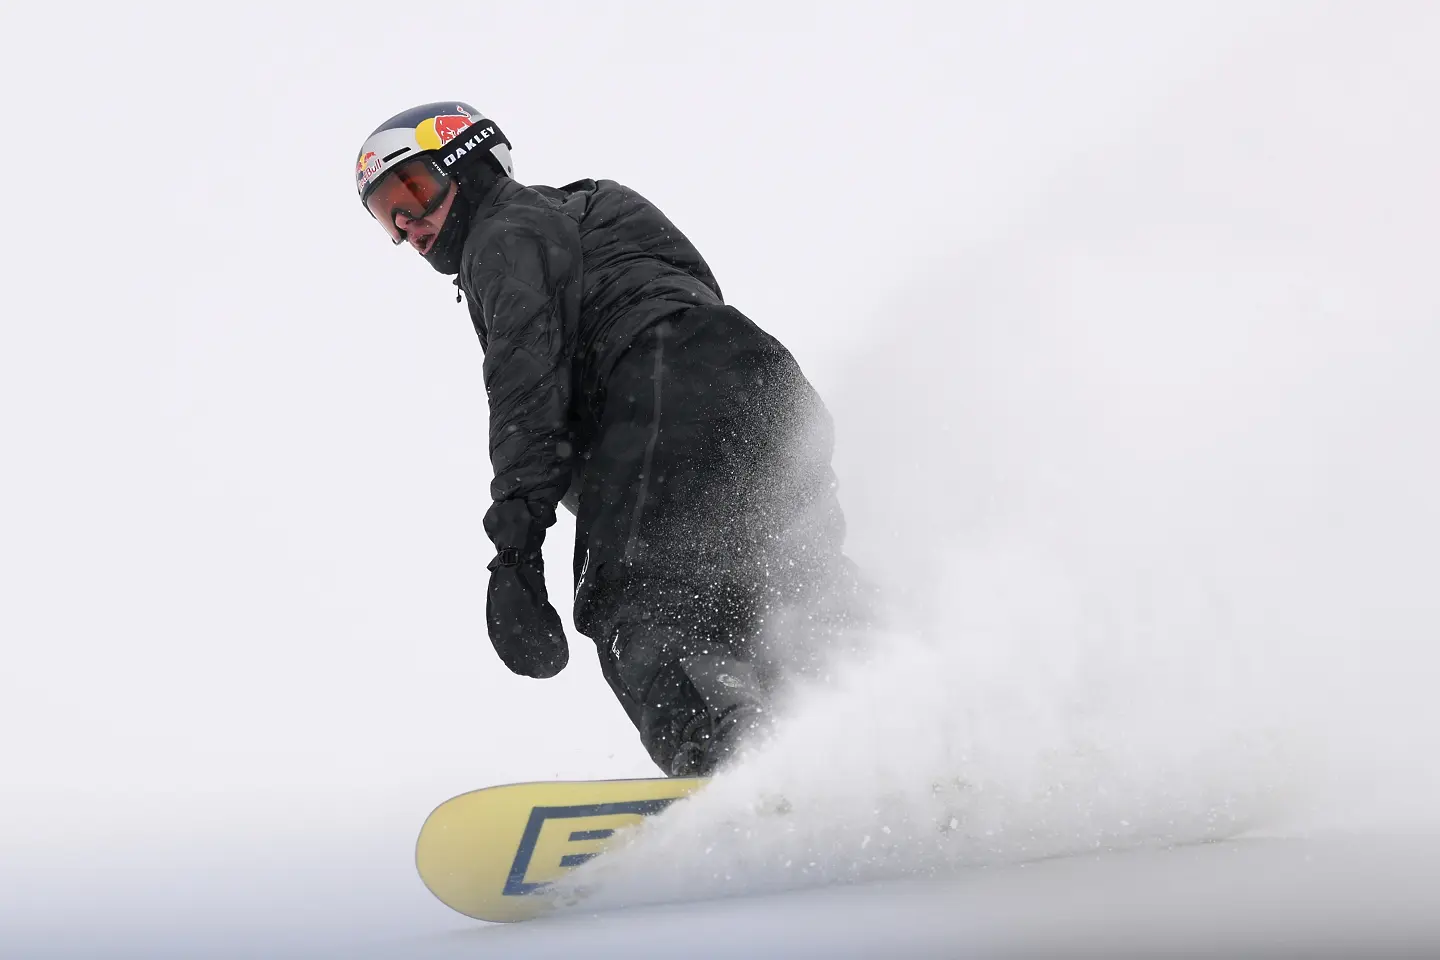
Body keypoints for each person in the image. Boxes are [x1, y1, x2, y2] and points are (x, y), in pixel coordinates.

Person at [354, 101, 863, 776]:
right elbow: (695, 291)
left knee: (635, 601)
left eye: (413, 190)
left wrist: (516, 552)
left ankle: (731, 767)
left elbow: (526, 392)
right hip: (765, 386)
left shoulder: (502, 235)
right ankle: (893, 713)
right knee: (778, 591)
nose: (409, 225)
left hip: (662, 388)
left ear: (470, 163)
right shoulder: (597, 206)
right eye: (387, 214)